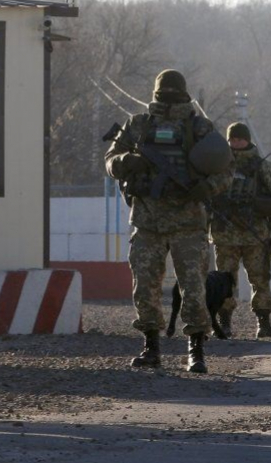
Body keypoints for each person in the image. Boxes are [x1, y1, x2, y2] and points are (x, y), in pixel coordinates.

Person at [105, 69, 232, 373]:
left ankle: (195, 347)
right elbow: (110, 161)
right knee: (146, 285)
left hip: (187, 222)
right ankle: (152, 345)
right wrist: (126, 161)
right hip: (148, 220)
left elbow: (225, 171)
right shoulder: (138, 125)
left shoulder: (199, 128)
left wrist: (205, 188)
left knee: (193, 287)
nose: (168, 99)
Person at [210, 121, 271, 339]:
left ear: (248, 139)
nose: (236, 143)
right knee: (224, 281)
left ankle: (263, 323)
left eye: (239, 139)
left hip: (256, 236)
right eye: (232, 139)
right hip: (225, 236)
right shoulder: (219, 165)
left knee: (260, 279)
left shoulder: (263, 167)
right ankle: (224, 323)